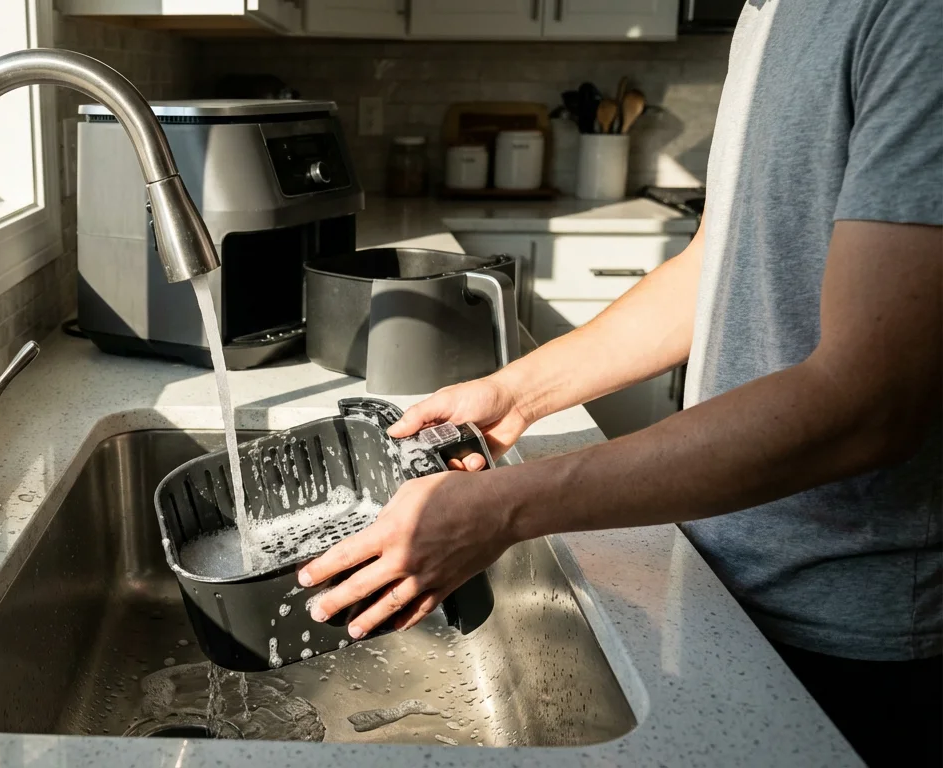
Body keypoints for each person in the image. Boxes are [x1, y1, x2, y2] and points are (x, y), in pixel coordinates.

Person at [298, 1, 941, 765]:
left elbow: (871, 403)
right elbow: (715, 262)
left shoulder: (913, 19)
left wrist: (505, 510)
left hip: (844, 633)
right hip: (714, 570)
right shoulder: (770, 14)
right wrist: (518, 393)